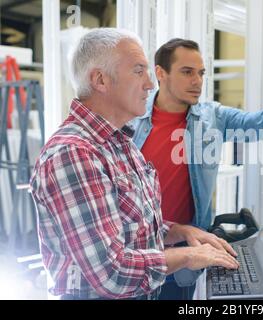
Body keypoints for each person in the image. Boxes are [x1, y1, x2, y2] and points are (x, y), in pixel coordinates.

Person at [30, 28, 238, 300]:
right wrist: (189, 256)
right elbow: (112, 273)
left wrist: (180, 231)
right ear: (100, 80)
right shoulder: (74, 154)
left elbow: (131, 226)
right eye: (139, 71)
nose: (150, 84)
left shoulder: (121, 143)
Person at [132, 38, 263, 299]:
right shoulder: (131, 119)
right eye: (187, 72)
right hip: (137, 253)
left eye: (201, 73)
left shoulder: (213, 118)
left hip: (189, 252)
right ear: (160, 73)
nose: (197, 81)